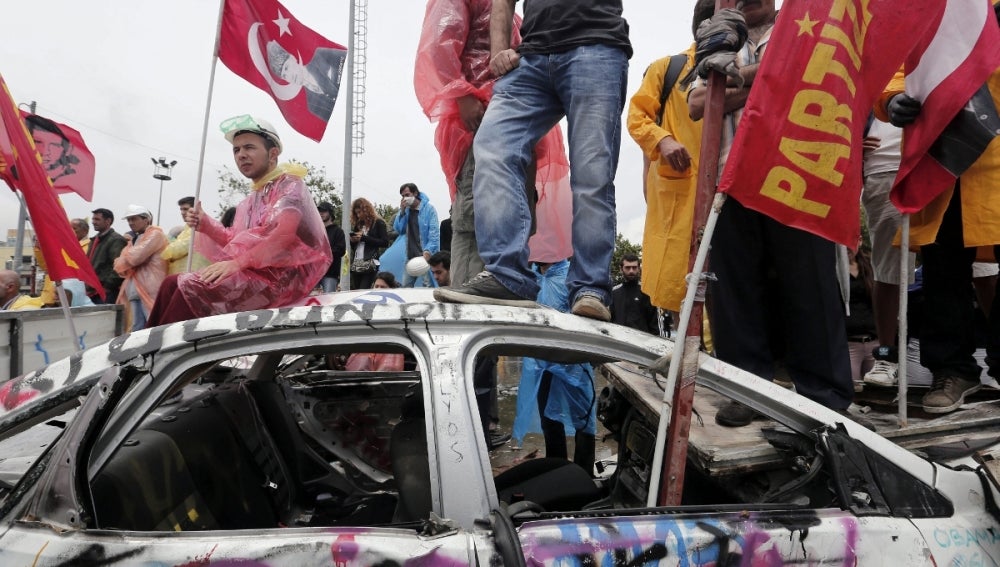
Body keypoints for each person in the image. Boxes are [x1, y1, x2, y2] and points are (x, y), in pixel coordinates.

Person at [688, 0, 857, 428]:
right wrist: (764, 81)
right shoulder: (716, 41)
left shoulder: (806, 31)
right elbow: (697, 102)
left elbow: (804, 81)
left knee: (811, 287)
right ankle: (746, 389)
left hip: (798, 175)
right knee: (735, 289)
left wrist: (733, 82)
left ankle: (825, 395)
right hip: (730, 178)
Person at [434, 0, 631, 322]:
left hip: (597, 46)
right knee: (493, 147)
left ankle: (591, 288)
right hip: (531, 60)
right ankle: (506, 276)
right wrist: (499, 50)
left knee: (591, 175)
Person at [876, 39, 1000, 413]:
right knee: (943, 273)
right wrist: (891, 98)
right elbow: (898, 65)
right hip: (942, 162)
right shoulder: (935, 13)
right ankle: (953, 371)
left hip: (995, 158)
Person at [414, 0, 573, 288]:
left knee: (513, 220)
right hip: (480, 124)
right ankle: (472, 315)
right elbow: (439, 46)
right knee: (480, 220)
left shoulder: (511, 13)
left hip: (514, 128)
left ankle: (502, 300)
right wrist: (463, 96)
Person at [146, 115, 331, 326]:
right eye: (236, 150)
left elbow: (282, 237)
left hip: (278, 282)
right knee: (171, 284)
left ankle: (165, 356)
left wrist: (238, 263)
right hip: (252, 276)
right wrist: (205, 224)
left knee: (188, 289)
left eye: (249, 147)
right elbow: (235, 241)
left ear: (273, 154)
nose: (241, 155)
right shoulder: (251, 200)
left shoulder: (289, 185)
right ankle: (143, 352)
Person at [626, 0, 715, 319]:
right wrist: (662, 140)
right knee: (682, 288)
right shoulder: (668, 68)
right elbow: (636, 117)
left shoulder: (744, 70)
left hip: (727, 198)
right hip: (679, 200)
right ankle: (687, 363)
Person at [512, 260, 596, 470]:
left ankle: (584, 473)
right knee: (550, 419)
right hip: (541, 364)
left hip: (573, 363)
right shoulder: (530, 278)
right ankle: (558, 471)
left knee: (584, 419)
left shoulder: (573, 275)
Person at [859, 122, 914, 389]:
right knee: (887, 268)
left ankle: (966, 363)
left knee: (979, 268)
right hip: (886, 162)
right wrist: (847, 144)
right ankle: (887, 357)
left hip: (950, 159)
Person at [114, 204, 168, 331]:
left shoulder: (156, 234)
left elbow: (135, 258)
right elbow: (118, 265)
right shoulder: (135, 238)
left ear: (146, 219)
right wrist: (129, 257)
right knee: (135, 328)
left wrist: (127, 257)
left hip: (150, 287)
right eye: (129, 220)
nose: (130, 223)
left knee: (152, 324)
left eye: (134, 219)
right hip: (134, 289)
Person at [266, 41, 346, 122]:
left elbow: (350, 60)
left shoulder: (321, 55)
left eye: (287, 67)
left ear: (292, 58)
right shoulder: (312, 105)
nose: (289, 76)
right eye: (284, 75)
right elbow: (337, 121)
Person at [846, 244, 878, 393]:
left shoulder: (869, 267)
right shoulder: (832, 269)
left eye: (849, 245)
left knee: (876, 390)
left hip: (874, 342)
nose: (847, 248)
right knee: (853, 390)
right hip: (849, 343)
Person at [394, 183, 440, 287]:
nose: (404, 198)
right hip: (410, 256)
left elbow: (434, 234)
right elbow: (399, 229)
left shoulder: (429, 210)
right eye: (402, 196)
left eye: (407, 194)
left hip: (426, 256)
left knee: (428, 286)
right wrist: (401, 212)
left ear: (415, 193)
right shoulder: (406, 211)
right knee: (406, 287)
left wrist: (428, 252)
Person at [610, 254, 659, 335]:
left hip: (641, 343)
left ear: (639, 268)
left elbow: (655, 325)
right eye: (627, 267)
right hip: (617, 342)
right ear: (621, 269)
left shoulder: (647, 293)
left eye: (634, 267)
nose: (631, 271)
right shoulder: (613, 293)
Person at [86, 207, 127, 304]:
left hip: (105, 292)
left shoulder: (116, 240)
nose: (93, 222)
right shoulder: (94, 240)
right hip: (91, 291)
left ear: (108, 221)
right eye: (93, 219)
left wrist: (107, 287)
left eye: (97, 219)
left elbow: (119, 267)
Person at [161, 197, 210, 276]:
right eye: (181, 209)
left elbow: (175, 251)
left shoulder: (198, 229)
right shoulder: (186, 229)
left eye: (185, 209)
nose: (182, 212)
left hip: (191, 276)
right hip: (183, 276)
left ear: (195, 210)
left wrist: (165, 248)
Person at [349, 198, 390, 290]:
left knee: (363, 290)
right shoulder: (358, 225)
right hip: (357, 263)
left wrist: (364, 238)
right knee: (356, 291)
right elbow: (355, 248)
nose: (359, 215)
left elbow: (385, 242)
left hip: (371, 262)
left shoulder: (378, 223)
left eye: (360, 212)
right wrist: (353, 241)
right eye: (356, 213)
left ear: (366, 210)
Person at [317, 201, 347, 293]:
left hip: (330, 274)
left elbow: (341, 250)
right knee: (310, 302)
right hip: (314, 274)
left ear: (330, 212)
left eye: (324, 211)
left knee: (328, 303)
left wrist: (324, 253)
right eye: (319, 211)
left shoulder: (338, 231)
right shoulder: (315, 230)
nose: (321, 213)